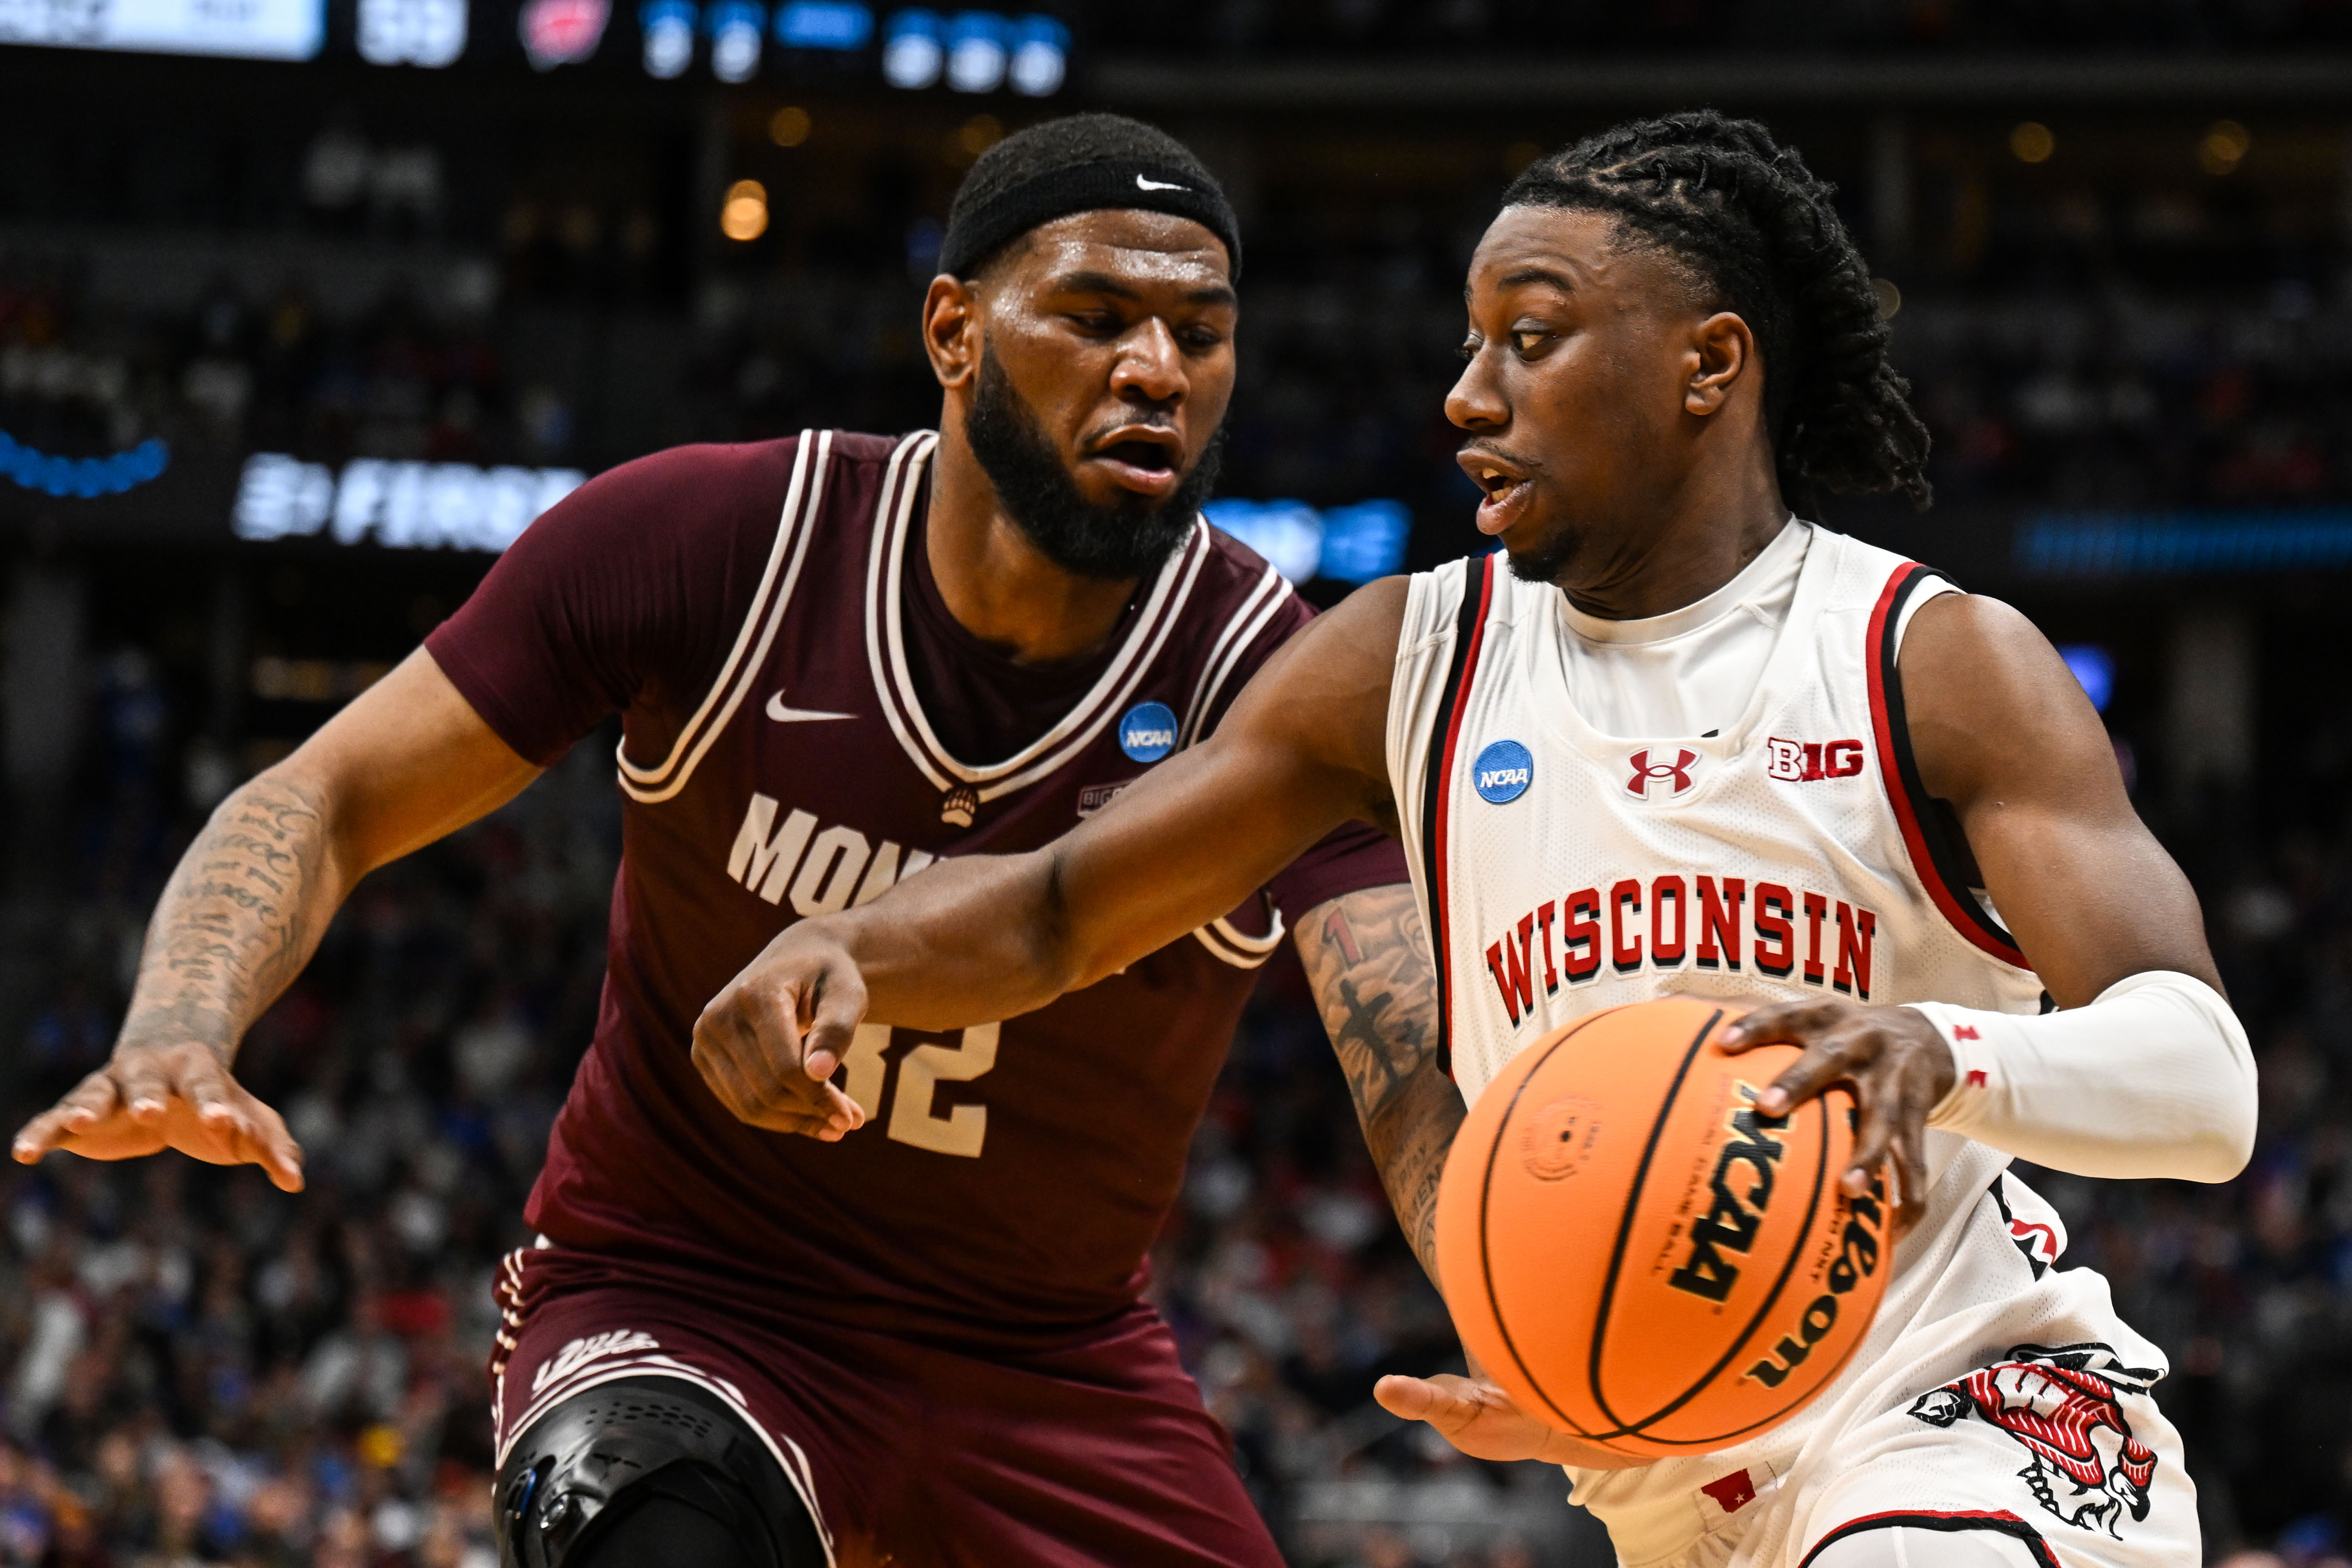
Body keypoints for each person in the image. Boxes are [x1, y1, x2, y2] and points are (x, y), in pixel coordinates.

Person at [698, 113, 2258, 1568]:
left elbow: (2207, 1083)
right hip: (1669, 1475)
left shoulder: (1934, 660)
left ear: (1708, 365)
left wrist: (1945, 1050)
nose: (1466, 395)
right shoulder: (1409, 659)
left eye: (1530, 339)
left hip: (1977, 1420)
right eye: (1469, 343)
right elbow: (1056, 908)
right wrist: (845, 947)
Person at [10, 115, 1444, 1568]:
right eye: (1093, 316)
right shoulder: (720, 539)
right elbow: (322, 793)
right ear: (952, 331)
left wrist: (1510, 1272)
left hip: (1049, 1363)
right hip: (683, 1303)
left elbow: (1402, 1031)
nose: (1157, 369)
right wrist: (183, 1019)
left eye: (1203, 333)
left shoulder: (1272, 681)